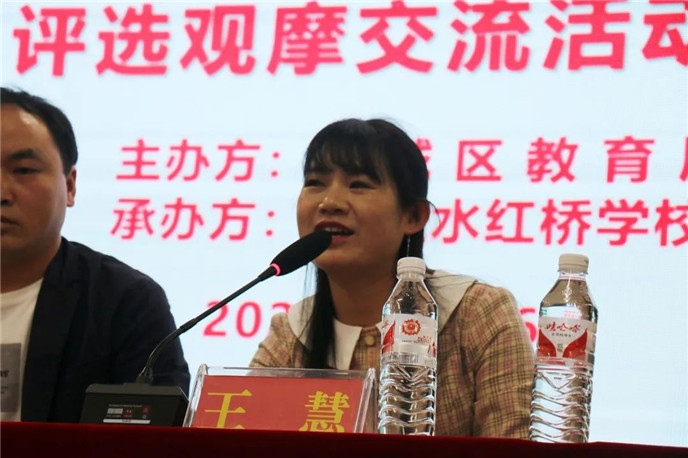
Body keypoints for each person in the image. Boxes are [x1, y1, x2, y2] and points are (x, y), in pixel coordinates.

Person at [250, 118, 534, 438]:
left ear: (413, 216)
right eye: (315, 182)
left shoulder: (476, 314)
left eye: (358, 184)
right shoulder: (290, 337)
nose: (330, 203)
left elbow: (516, 446)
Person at [0, 87, 190, 423]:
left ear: (70, 185)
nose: (2, 192)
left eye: (24, 170)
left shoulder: (125, 303)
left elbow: (157, 439)